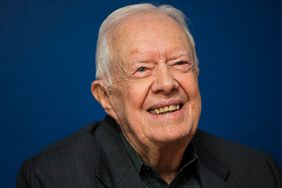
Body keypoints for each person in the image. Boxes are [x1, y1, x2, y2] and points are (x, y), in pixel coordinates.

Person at [17, 3, 282, 188]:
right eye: (142, 69)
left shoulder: (260, 170)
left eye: (180, 63)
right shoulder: (50, 178)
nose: (166, 83)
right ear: (106, 97)